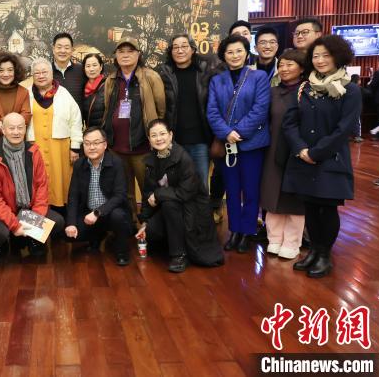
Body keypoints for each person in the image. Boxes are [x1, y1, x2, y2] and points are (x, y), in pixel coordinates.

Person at [282, 35, 362, 278]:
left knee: (327, 209)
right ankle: (314, 251)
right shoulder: (304, 88)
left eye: (326, 55)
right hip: (303, 158)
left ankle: (325, 255)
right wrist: (301, 149)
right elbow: (290, 123)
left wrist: (316, 153)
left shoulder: (350, 90)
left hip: (330, 159)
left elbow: (345, 129)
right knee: (310, 206)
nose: (320, 60)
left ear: (338, 56)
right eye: (316, 56)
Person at [207, 34, 271, 253]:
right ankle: (234, 230)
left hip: (252, 144)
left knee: (251, 190)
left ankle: (248, 231)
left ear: (246, 53)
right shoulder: (217, 80)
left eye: (239, 51)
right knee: (232, 190)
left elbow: (260, 109)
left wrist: (239, 132)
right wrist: (226, 133)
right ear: (223, 55)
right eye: (230, 52)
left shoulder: (259, 77)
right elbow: (212, 111)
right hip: (227, 145)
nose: (234, 55)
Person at [136, 120, 224, 272]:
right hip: (170, 207)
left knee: (169, 203)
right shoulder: (151, 160)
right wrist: (144, 221)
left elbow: (185, 193)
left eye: (162, 134)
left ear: (170, 135)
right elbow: (147, 193)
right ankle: (173, 243)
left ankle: (179, 255)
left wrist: (159, 194)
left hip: (192, 207)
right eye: (154, 135)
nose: (159, 138)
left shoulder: (183, 158)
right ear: (149, 139)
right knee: (151, 233)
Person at [0, 112, 66, 257]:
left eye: (20, 128)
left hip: (29, 209)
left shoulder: (33, 152)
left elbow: (42, 186)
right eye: (11, 128)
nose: (16, 132)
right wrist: (15, 225)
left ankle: (32, 239)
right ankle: (2, 243)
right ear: (3, 130)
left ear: (25, 129)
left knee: (57, 222)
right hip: (6, 211)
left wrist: (34, 219)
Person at [103, 37, 166, 221]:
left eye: (130, 51)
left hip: (143, 147)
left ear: (139, 54)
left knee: (148, 189)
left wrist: (156, 136)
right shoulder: (111, 80)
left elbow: (161, 109)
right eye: (121, 51)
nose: (125, 55)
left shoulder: (150, 77)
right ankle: (130, 223)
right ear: (115, 56)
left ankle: (149, 224)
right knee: (124, 191)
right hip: (116, 148)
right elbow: (108, 108)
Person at [260, 49, 308, 260]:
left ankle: (292, 242)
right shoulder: (272, 92)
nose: (284, 69)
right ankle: (274, 238)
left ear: (302, 68)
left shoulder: (308, 91)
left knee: (294, 198)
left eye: (290, 64)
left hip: (298, 149)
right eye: (281, 65)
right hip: (272, 148)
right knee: (272, 193)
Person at [65, 127, 131, 266]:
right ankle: (97, 236)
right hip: (88, 214)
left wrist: (98, 212)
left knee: (118, 217)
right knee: (68, 235)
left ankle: (122, 252)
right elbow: (73, 196)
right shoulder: (79, 164)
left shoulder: (116, 163)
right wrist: (71, 223)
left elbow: (120, 195)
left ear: (105, 144)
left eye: (96, 143)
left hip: (110, 212)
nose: (92, 147)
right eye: (87, 143)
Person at [156, 34, 214, 187]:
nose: (180, 50)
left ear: (193, 49)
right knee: (176, 185)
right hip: (175, 141)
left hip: (200, 140)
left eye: (184, 46)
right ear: (170, 51)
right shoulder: (164, 73)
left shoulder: (205, 71)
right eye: (175, 47)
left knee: (201, 184)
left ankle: (202, 205)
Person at [27, 58, 83, 210]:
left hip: (59, 149)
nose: (41, 76)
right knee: (36, 182)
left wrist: (75, 146)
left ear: (52, 74)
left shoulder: (63, 93)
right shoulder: (27, 94)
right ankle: (39, 213)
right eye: (37, 73)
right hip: (34, 148)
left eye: (44, 72)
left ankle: (61, 214)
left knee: (61, 183)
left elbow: (75, 120)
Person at [51, 32, 86, 115]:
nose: (63, 51)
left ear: (72, 50)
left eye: (67, 47)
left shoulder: (82, 70)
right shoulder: (46, 71)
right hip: (53, 120)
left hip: (76, 121)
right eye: (59, 47)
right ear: (53, 49)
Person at [82, 53, 107, 128]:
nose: (91, 69)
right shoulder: (82, 87)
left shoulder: (108, 85)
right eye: (88, 66)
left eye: (94, 65)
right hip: (89, 132)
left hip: (104, 132)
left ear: (101, 67)